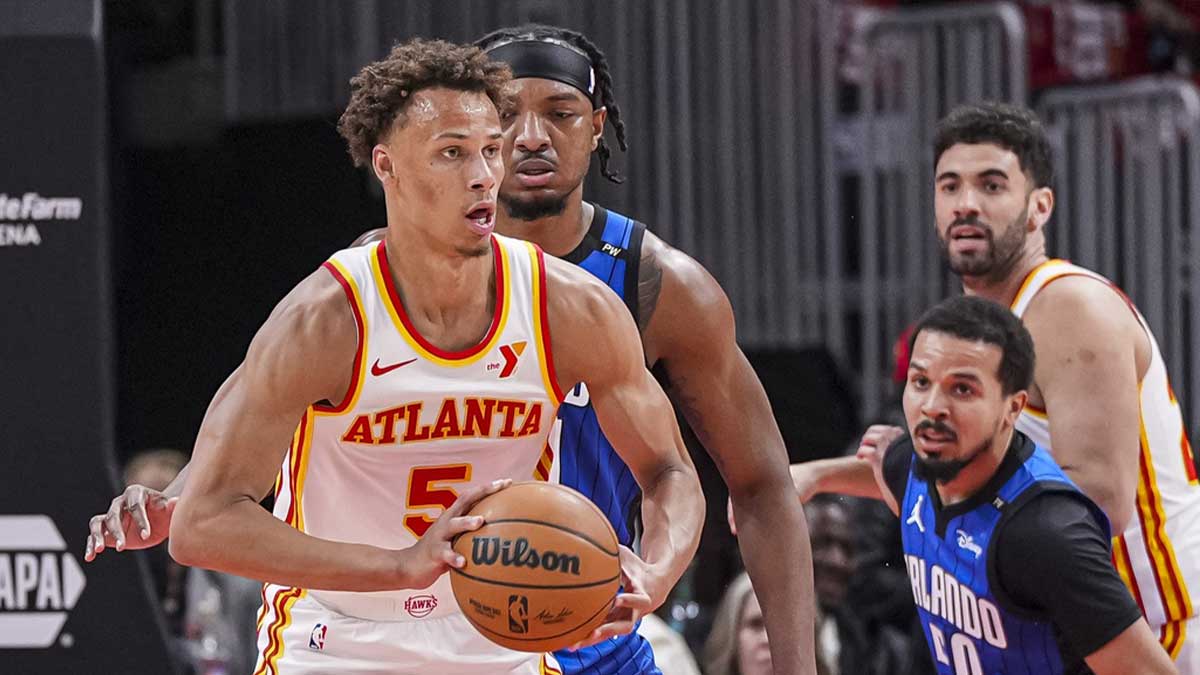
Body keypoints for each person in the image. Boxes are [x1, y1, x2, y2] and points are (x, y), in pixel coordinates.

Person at [88, 23, 816, 675]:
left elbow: (707, 476)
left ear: (595, 130)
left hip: (542, 616)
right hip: (347, 636)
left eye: (492, 148)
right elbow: (229, 469)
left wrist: (660, 574)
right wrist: (181, 497)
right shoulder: (338, 305)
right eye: (460, 149)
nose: (496, 163)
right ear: (390, 167)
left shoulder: (605, 297)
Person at [786, 101, 1200, 669]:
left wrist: (928, 491)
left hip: (1158, 625)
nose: (967, 204)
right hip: (1057, 627)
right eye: (949, 186)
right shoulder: (975, 327)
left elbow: (1098, 503)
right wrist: (819, 474)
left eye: (992, 185)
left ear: (1039, 207)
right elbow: (970, 470)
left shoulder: (1070, 307)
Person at [869, 295, 1175, 674]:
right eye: (920, 381)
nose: (932, 406)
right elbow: (882, 467)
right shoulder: (910, 463)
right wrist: (812, 476)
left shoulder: (1045, 533)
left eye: (962, 389)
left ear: (1013, 408)